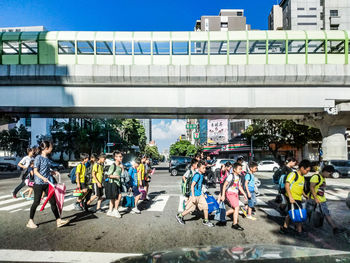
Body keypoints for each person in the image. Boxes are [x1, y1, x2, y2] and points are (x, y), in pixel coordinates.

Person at [27, 141, 69, 229]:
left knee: (53, 202)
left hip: (47, 183)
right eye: (51, 147)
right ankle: (30, 221)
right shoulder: (38, 158)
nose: (52, 149)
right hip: (38, 183)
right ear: (46, 148)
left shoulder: (46, 158)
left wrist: (53, 172)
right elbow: (35, 171)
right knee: (36, 202)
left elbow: (46, 171)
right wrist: (43, 178)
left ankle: (58, 220)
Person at [176, 160, 214, 227]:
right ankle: (180, 216)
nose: (205, 169)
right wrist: (193, 196)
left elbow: (199, 186)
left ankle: (206, 220)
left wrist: (202, 193)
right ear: (199, 168)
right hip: (195, 196)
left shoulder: (201, 175)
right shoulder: (197, 175)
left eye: (205, 168)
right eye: (203, 168)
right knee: (191, 209)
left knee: (205, 207)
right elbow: (192, 186)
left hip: (199, 195)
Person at [308, 165, 343, 235]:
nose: (329, 176)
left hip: (321, 200)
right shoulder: (316, 177)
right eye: (329, 174)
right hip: (313, 199)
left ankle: (334, 228)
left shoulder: (322, 178)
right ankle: (304, 227)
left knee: (326, 214)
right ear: (325, 171)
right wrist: (315, 198)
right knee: (309, 213)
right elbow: (311, 187)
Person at [280, 159, 311, 237]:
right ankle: (299, 232)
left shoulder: (302, 177)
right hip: (292, 198)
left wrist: (304, 194)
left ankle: (284, 228)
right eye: (307, 170)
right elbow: (287, 185)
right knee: (298, 214)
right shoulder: (293, 174)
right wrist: (290, 197)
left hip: (298, 198)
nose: (307, 172)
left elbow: (300, 187)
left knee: (291, 213)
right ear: (302, 168)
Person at [221, 162, 248, 231]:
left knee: (234, 208)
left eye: (241, 169)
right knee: (236, 207)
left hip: (235, 194)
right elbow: (224, 185)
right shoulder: (231, 176)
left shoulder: (238, 177)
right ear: (234, 169)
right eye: (239, 169)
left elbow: (239, 186)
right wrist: (223, 195)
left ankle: (223, 216)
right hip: (230, 193)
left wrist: (244, 194)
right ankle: (235, 224)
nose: (241, 170)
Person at [105, 151, 123, 218]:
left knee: (113, 198)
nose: (121, 158)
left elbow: (122, 174)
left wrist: (122, 168)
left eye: (121, 156)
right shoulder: (113, 165)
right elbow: (108, 175)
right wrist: (116, 177)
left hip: (118, 183)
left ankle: (110, 211)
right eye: (120, 156)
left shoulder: (120, 165)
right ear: (115, 157)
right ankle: (115, 210)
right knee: (119, 196)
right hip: (113, 183)